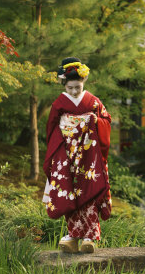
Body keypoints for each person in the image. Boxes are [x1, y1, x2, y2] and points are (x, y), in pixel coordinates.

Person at [43, 57, 112, 254]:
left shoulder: (93, 102)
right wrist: (64, 140)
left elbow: (106, 121)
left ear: (84, 83)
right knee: (69, 192)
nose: (74, 91)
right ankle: (73, 236)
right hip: (67, 157)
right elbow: (51, 130)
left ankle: (90, 237)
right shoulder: (59, 104)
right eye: (71, 87)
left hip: (90, 158)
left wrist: (94, 121)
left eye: (78, 87)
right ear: (64, 84)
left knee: (89, 193)